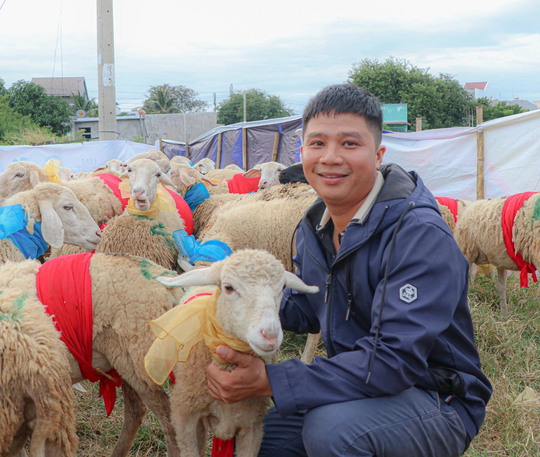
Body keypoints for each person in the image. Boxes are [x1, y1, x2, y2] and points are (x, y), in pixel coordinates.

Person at [205, 84, 492, 456]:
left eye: (350, 144)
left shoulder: (418, 234)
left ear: (378, 154)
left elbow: (393, 362)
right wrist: (226, 299)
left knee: (333, 432)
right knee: (263, 440)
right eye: (318, 143)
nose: (331, 158)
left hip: (436, 397)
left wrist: (271, 381)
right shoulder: (314, 226)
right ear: (303, 152)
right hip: (360, 386)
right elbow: (305, 306)